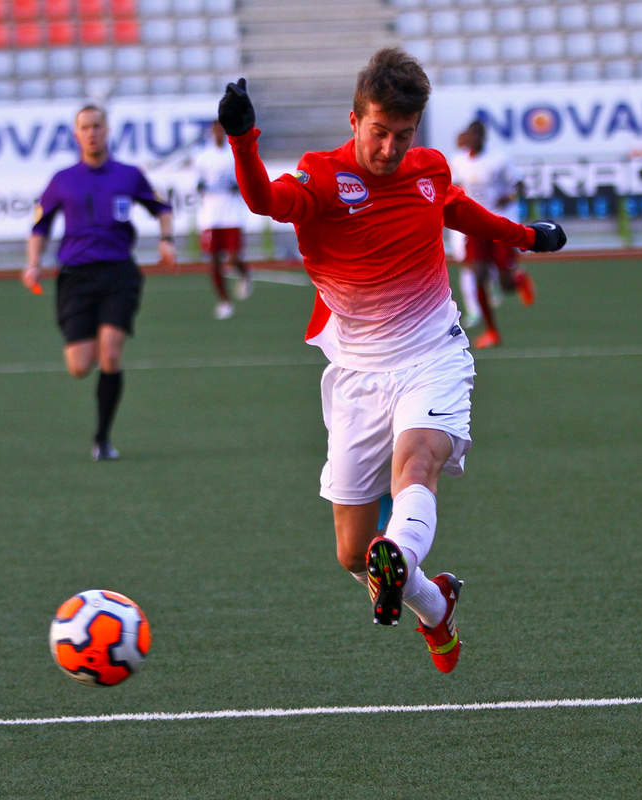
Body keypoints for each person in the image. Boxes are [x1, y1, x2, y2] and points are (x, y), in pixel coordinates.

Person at [217, 49, 565, 673]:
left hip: (432, 352)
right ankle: (435, 604)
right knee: (353, 554)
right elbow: (265, 201)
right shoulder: (320, 179)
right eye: (379, 133)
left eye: (403, 135)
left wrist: (526, 237)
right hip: (356, 372)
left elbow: (456, 209)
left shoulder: (427, 168)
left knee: (419, 461)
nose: (390, 149)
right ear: (354, 120)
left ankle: (401, 551)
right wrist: (243, 139)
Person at [23, 104, 176, 461]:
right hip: (75, 277)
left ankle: (102, 439)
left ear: (107, 130)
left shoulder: (128, 175)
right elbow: (40, 226)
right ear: (76, 135)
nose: (91, 132)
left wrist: (167, 240)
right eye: (85, 127)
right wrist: (32, 263)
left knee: (110, 354)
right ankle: (101, 433)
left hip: (118, 272)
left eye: (97, 126)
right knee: (80, 365)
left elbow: (162, 209)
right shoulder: (62, 179)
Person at [449, 120, 536, 348]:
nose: (472, 139)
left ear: (483, 138)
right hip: (475, 226)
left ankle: (517, 279)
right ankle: (492, 331)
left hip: (499, 222)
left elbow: (520, 187)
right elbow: (454, 187)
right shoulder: (458, 161)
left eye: (477, 135)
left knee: (505, 283)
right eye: (470, 135)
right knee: (477, 274)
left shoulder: (499, 159)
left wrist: (507, 198)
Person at [194, 120, 252, 320]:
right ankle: (224, 301)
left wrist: (237, 187)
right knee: (214, 260)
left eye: (221, 129)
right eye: (215, 129)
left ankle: (244, 273)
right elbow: (197, 182)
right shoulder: (202, 157)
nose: (218, 133)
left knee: (233, 257)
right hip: (211, 215)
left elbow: (244, 179)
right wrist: (200, 187)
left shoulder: (232, 156)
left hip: (231, 212)